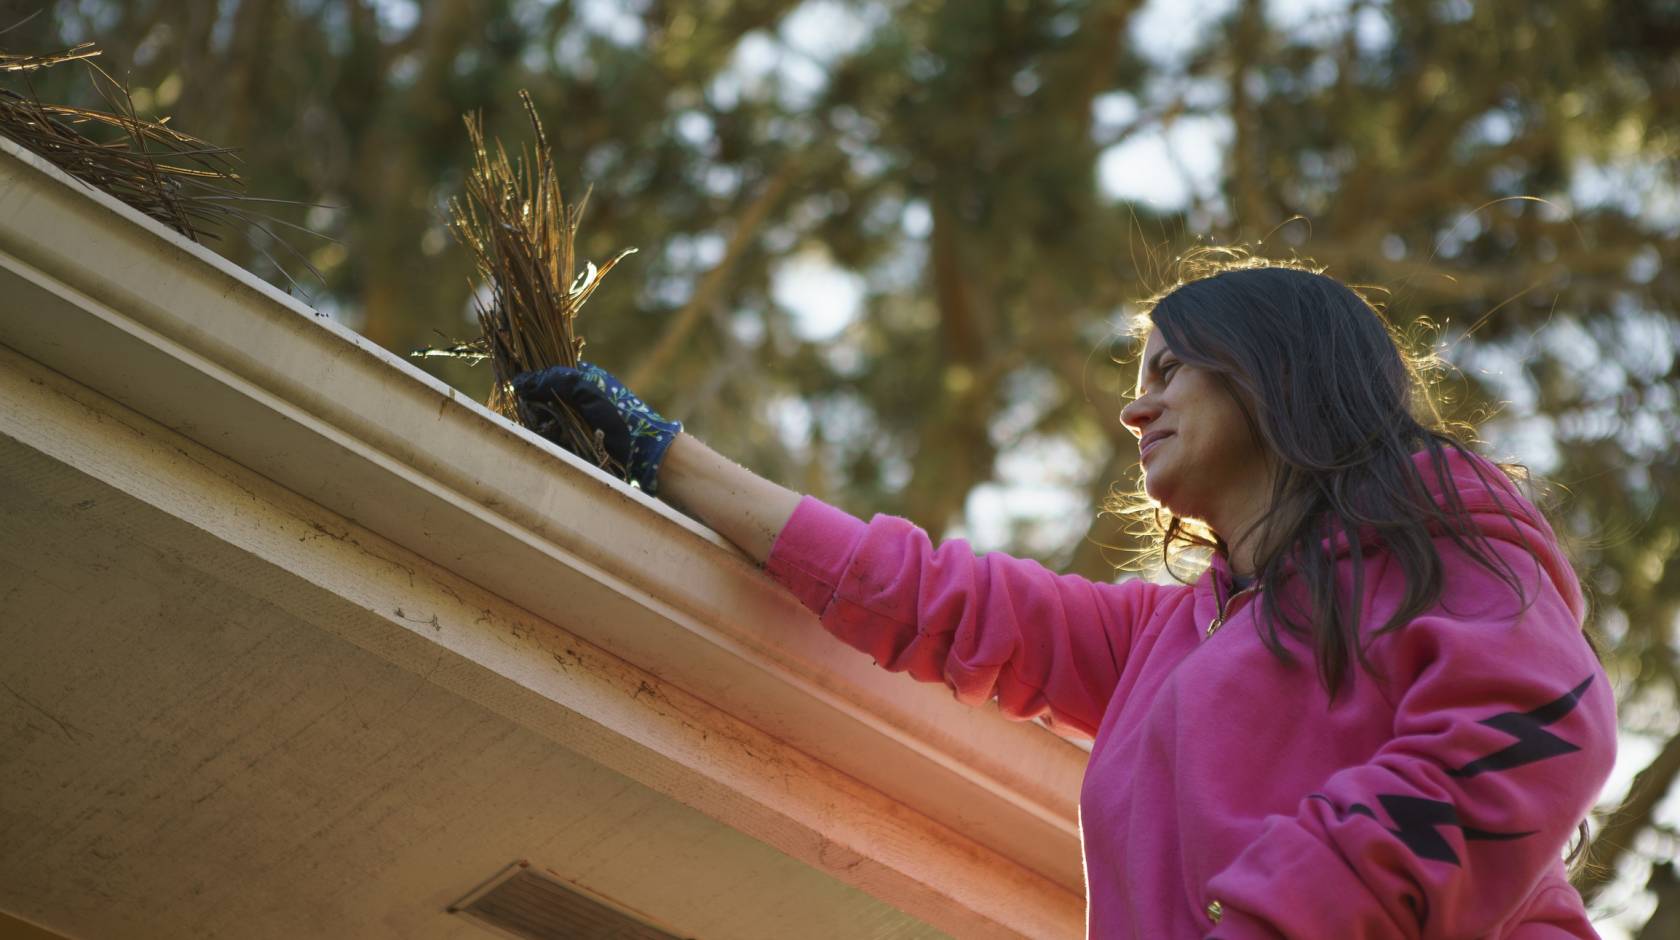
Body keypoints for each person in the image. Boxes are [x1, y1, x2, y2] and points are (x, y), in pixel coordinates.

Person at [511, 256, 1617, 939]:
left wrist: (1286, 911)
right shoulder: (1170, 632)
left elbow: (1532, 733)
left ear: (1272, 371)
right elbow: (932, 598)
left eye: (1170, 370)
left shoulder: (1435, 532)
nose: (1136, 412)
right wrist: (665, 458)